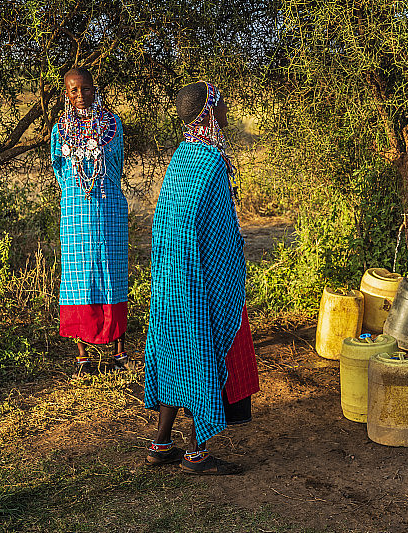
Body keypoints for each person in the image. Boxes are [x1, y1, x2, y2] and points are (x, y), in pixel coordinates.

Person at [143, 81, 252, 475]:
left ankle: (160, 443)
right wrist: (230, 273)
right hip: (200, 276)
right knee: (201, 352)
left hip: (170, 276)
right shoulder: (210, 162)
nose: (226, 110)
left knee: (174, 351)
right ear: (209, 112)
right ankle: (196, 453)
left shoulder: (182, 157)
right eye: (221, 104)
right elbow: (220, 232)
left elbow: (176, 222)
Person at [51, 68, 129, 376]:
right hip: (75, 211)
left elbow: (117, 164)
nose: (79, 94)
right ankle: (82, 355)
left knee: (113, 272)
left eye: (85, 88)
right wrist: (76, 190)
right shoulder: (60, 129)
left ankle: (119, 352)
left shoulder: (112, 124)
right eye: (73, 90)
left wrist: (100, 187)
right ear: (66, 94)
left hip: (108, 206)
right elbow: (59, 169)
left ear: (94, 88)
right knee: (78, 277)